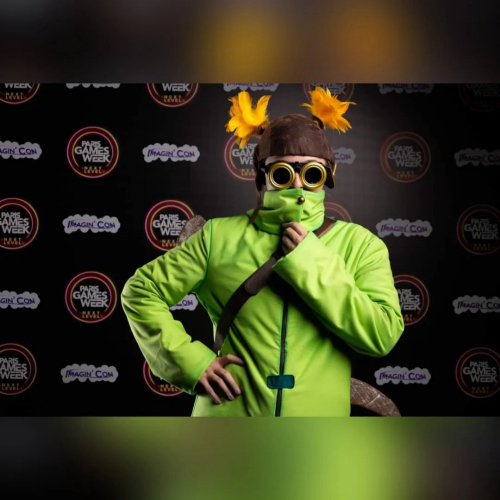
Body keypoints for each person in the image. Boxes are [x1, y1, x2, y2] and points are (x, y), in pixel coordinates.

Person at [121, 87, 405, 416]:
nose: (297, 185)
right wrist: (192, 363)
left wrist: (310, 261)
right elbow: (141, 291)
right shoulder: (216, 237)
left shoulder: (361, 245)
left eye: (311, 173)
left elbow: (382, 334)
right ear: (261, 176)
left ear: (328, 176)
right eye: (282, 173)